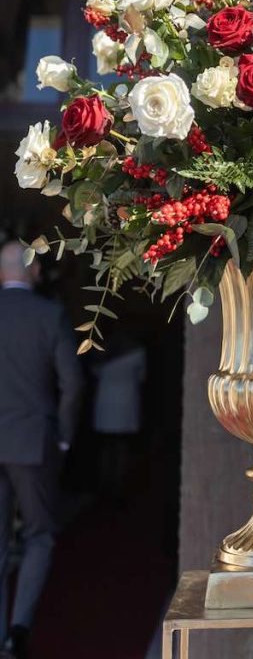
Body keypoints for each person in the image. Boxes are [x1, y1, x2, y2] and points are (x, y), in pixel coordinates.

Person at [0, 242, 84, 659]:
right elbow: (72, 384)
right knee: (39, 536)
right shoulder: (49, 315)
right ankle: (17, 634)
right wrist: (64, 437)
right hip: (34, 441)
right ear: (32, 273)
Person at [91, 331, 147, 504]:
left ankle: (104, 486)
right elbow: (142, 377)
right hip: (126, 405)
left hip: (105, 404)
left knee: (106, 447)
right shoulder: (138, 353)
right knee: (122, 447)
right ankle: (119, 487)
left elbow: (93, 372)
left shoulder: (103, 351)